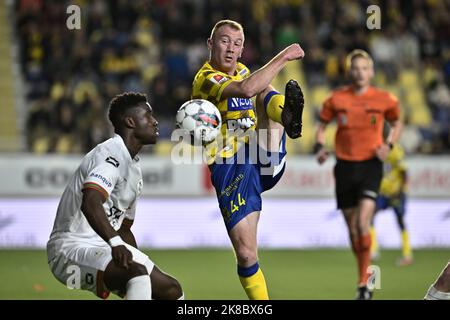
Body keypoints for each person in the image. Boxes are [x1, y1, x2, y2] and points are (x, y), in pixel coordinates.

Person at [191, 20, 305, 299]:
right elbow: (244, 90)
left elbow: (251, 87)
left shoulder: (242, 71)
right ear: (210, 44)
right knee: (245, 254)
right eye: (224, 41)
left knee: (265, 89)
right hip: (229, 168)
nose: (231, 49)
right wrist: (284, 55)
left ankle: (287, 117)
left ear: (242, 50)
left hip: (261, 155)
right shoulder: (205, 79)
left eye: (237, 43)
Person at [47, 92, 183, 300]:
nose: (155, 122)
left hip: (102, 245)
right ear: (130, 121)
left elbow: (124, 229)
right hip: (70, 248)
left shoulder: (133, 167)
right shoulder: (110, 154)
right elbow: (90, 202)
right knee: (137, 275)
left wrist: (136, 256)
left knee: (171, 291)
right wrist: (116, 244)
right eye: (148, 115)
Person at [314, 49, 402, 300]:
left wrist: (389, 145)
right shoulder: (336, 99)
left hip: (371, 166)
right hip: (344, 167)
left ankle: (365, 284)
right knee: (353, 229)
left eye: (365, 68)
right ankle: (363, 278)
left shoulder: (385, 99)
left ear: (371, 72)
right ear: (350, 71)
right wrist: (320, 147)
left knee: (363, 222)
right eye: (356, 68)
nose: (360, 72)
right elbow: (321, 127)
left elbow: (396, 124)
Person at [370, 143, 413, 266]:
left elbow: (404, 172)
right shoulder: (376, 148)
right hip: (382, 193)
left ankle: (407, 254)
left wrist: (401, 190)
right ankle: (373, 251)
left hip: (396, 193)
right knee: (370, 216)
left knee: (400, 220)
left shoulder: (395, 150)